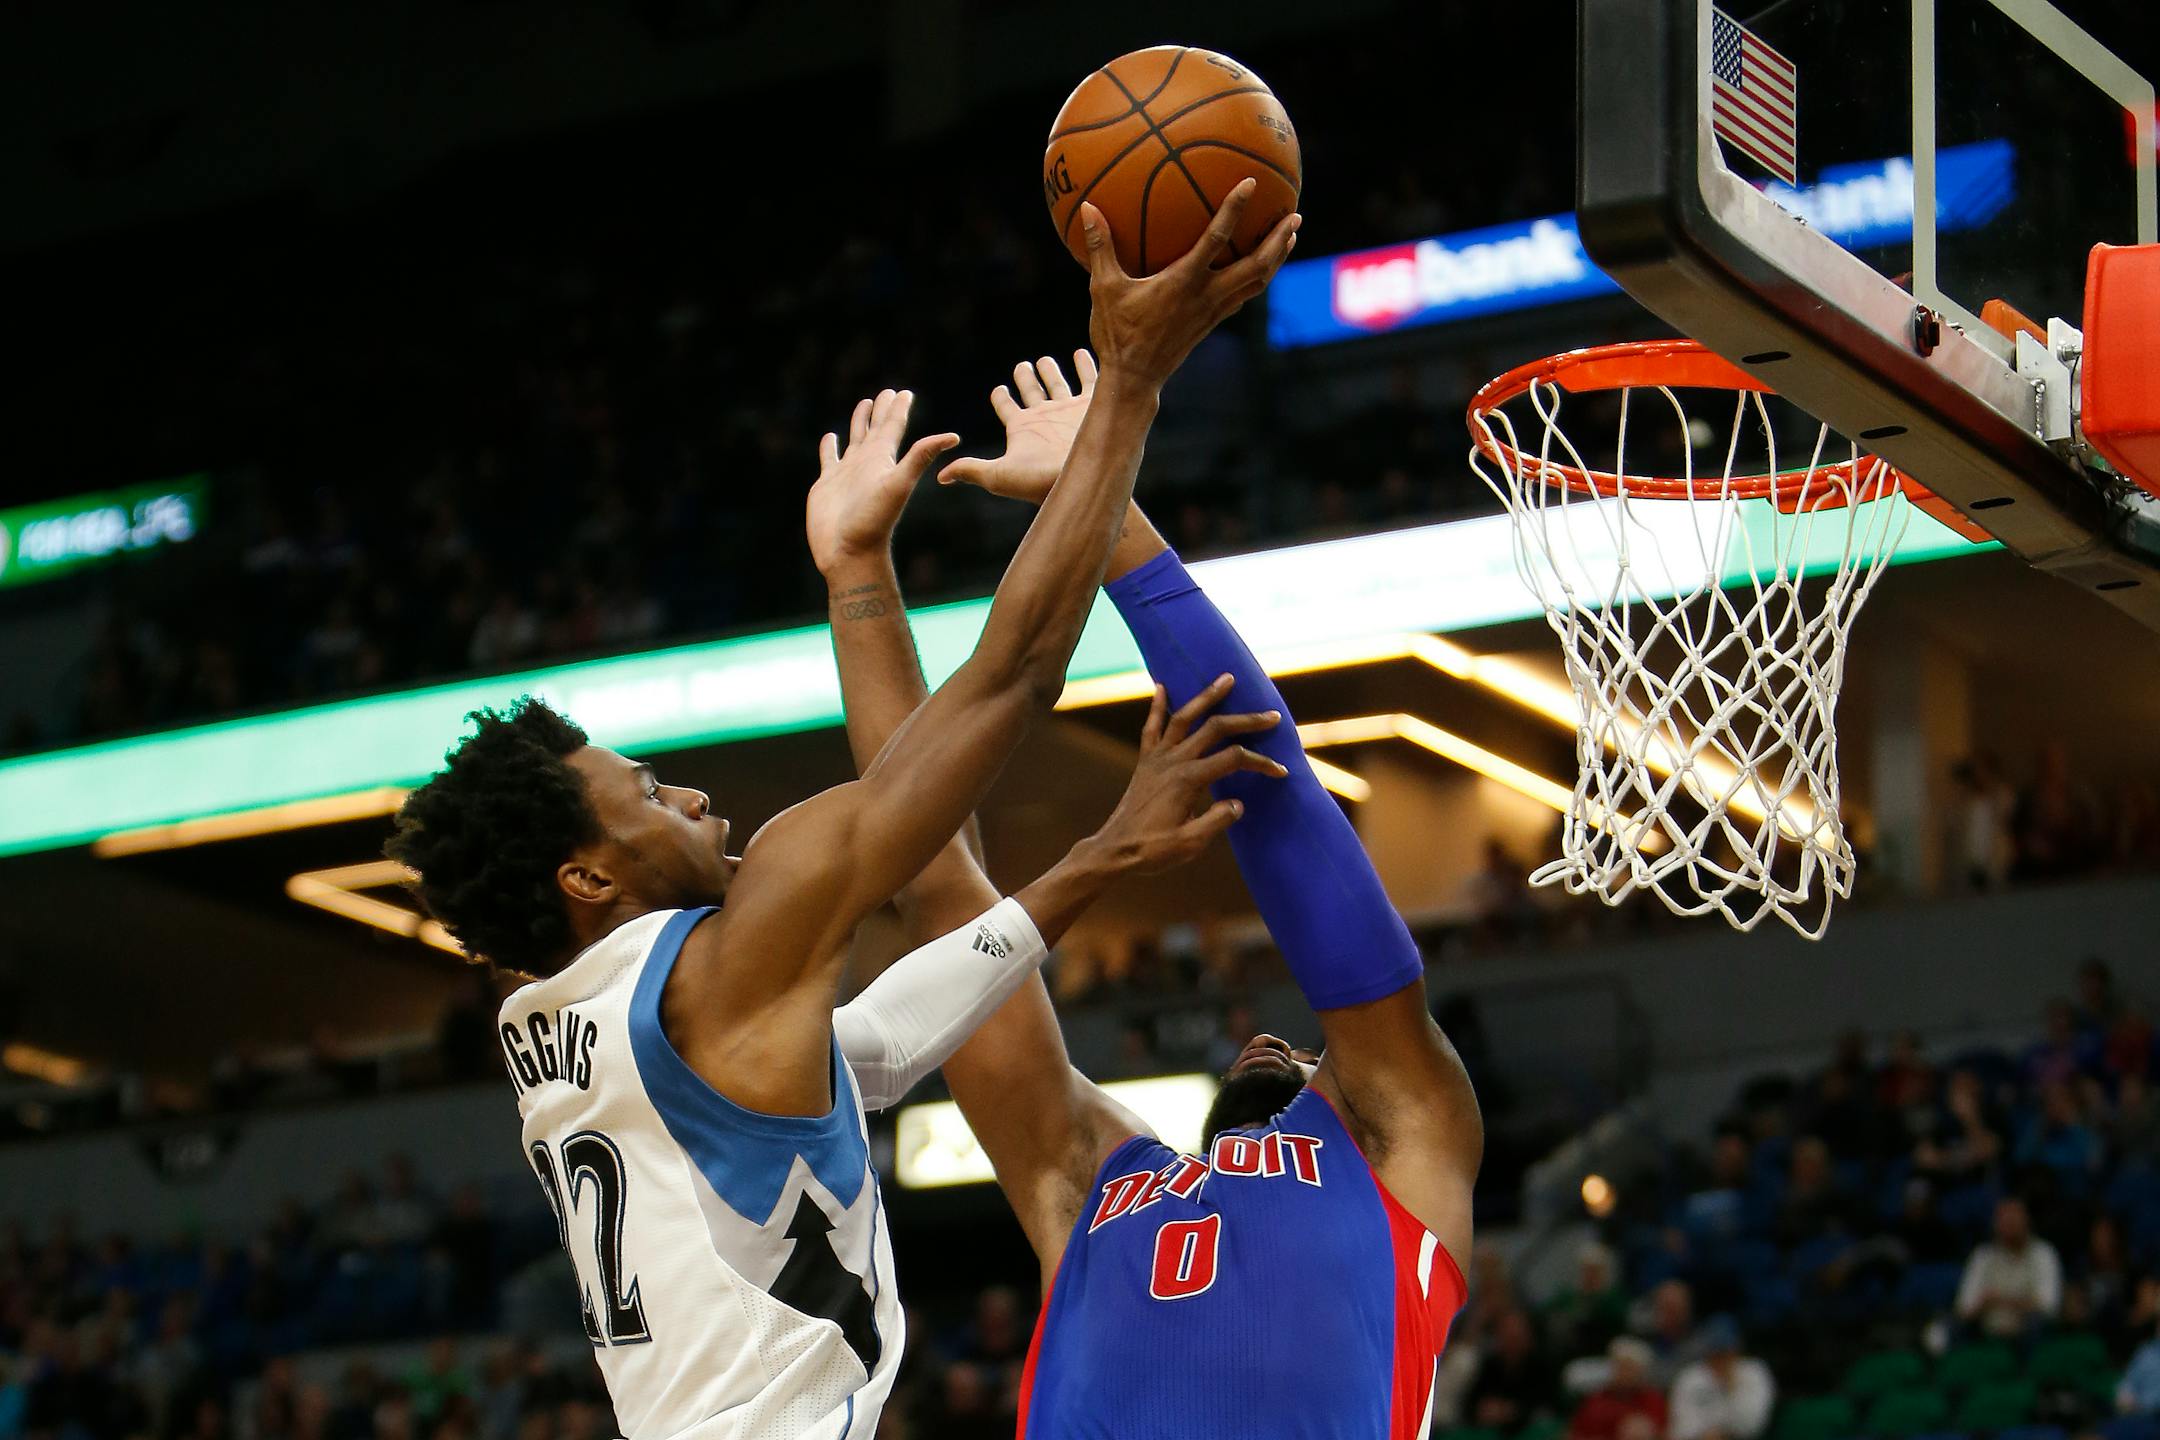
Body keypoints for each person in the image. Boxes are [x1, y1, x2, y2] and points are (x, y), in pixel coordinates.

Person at [385, 191, 1300, 1440]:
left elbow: (871, 1047)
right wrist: (1131, 389)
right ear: (587, 879)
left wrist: (1092, 857)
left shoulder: (562, 1023)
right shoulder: (722, 960)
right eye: (648, 796)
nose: (694, 794)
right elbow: (1012, 676)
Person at [821, 350, 1479, 1437]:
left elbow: (1275, 791)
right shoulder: (1089, 1173)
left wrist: (1110, 506)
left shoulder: (1406, 1136)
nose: (1269, 1042)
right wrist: (857, 574)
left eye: (1301, 1049)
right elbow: (937, 885)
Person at [1955, 1197, 2062, 1341]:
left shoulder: (2043, 1253)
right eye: (2005, 1220)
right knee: (1954, 1328)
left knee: (2037, 1323)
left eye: (2015, 1219)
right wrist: (1985, 1304)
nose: (2010, 1224)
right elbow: (1964, 1308)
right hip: (1985, 1330)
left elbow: (2048, 1306)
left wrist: (2000, 1300)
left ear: (2027, 1221)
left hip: (2027, 1332)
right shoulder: (1982, 1256)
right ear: (1995, 1224)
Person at [1667, 1318, 1774, 1440]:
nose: (1721, 1359)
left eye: (1726, 1352)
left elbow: (1752, 1425)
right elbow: (1681, 1426)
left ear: (1736, 1348)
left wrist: (1732, 1386)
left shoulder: (1755, 1372)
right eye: (1716, 1353)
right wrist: (1705, 1434)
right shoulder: (1690, 1377)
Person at [1571, 1338, 1668, 1440]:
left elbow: (1663, 1433)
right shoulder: (1595, 1401)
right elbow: (1575, 1434)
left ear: (1641, 1371)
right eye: (1620, 1366)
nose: (1624, 1373)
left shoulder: (1653, 1401)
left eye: (1629, 1368)